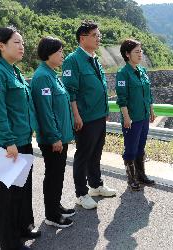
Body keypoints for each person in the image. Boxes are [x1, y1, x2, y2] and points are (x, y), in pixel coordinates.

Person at [0, 26, 40, 250]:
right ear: (1, 46)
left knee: (20, 191)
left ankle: (23, 228)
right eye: (17, 42)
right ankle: (9, 243)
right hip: (4, 145)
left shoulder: (15, 72)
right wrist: (8, 142)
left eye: (22, 42)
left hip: (21, 141)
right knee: (5, 199)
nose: (22, 46)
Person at [62, 20, 116, 209]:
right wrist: (76, 116)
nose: (98, 38)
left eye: (98, 35)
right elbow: (70, 92)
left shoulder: (93, 58)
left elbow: (100, 87)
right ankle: (81, 193)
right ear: (82, 38)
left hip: (99, 115)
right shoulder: (72, 60)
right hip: (85, 117)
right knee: (83, 155)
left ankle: (96, 185)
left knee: (97, 152)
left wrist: (105, 111)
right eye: (95, 35)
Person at [30, 36, 75, 228]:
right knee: (53, 175)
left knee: (58, 174)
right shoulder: (42, 77)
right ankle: (51, 215)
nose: (62, 55)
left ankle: (55, 206)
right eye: (59, 52)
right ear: (49, 53)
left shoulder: (51, 74)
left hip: (60, 136)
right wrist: (55, 137)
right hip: (52, 139)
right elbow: (45, 111)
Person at [116, 39, 156, 191]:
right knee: (131, 148)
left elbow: (148, 94)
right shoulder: (123, 73)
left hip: (144, 116)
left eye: (141, 51)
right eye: (137, 52)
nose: (141, 54)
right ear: (127, 54)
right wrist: (126, 117)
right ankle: (131, 178)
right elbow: (122, 98)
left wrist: (151, 110)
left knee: (141, 147)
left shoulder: (142, 71)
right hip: (132, 119)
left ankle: (141, 175)